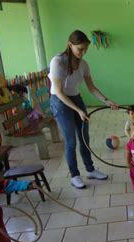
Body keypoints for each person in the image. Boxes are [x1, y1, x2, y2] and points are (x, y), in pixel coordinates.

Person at [49, 30, 118, 189]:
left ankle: (90, 170)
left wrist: (107, 101)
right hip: (60, 101)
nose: (83, 52)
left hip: (76, 98)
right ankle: (74, 175)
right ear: (70, 45)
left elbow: (92, 88)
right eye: (80, 48)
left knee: (84, 138)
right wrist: (79, 110)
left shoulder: (83, 64)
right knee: (71, 141)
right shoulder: (58, 62)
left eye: (85, 49)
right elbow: (59, 92)